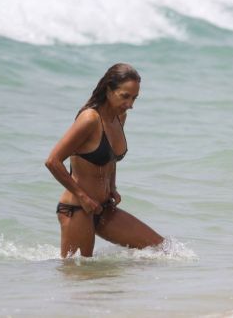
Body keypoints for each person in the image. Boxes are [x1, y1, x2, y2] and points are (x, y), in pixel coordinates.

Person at [45, 63, 164, 258]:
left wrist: (113, 187)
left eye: (134, 98)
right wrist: (83, 197)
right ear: (108, 89)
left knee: (163, 250)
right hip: (77, 210)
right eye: (125, 96)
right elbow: (53, 161)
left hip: (104, 209)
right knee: (80, 274)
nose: (130, 104)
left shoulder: (119, 117)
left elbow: (110, 157)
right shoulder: (90, 119)